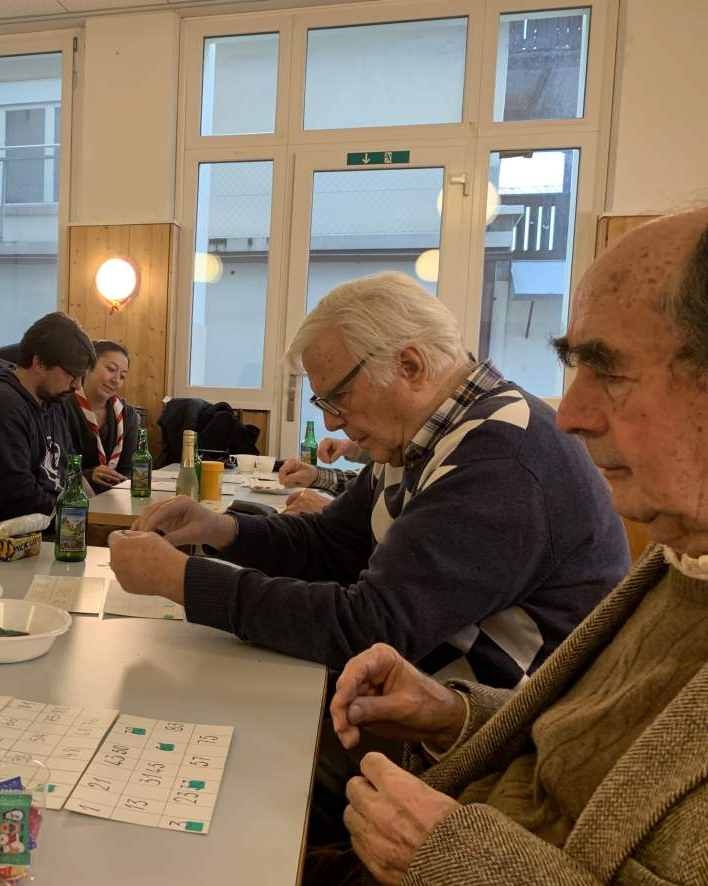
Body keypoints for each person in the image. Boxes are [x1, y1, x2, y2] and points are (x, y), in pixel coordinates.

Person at [108, 270, 629, 841]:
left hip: (495, 759)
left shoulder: (501, 458)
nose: (331, 420)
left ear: (410, 366)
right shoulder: (425, 435)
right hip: (425, 712)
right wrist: (223, 529)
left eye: (338, 397)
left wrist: (185, 581)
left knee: (230, 761)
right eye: (322, 401)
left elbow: (368, 627)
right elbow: (332, 543)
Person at [308, 207, 708, 886]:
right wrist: (451, 713)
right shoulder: (682, 562)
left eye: (608, 370)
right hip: (454, 802)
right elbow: (582, 740)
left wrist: (454, 859)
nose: (572, 415)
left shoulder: (505, 452)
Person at [0, 312, 96, 546]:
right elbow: (18, 498)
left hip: (45, 529)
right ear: (39, 363)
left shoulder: (53, 400)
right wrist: (78, 516)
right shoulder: (0, 405)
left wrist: (95, 512)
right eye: (72, 375)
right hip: (1, 542)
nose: (78, 386)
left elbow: (71, 469)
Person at [62, 340, 141, 493]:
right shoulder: (61, 407)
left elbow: (127, 471)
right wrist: (88, 475)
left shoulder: (128, 415)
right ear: (87, 367)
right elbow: (55, 467)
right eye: (111, 369)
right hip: (71, 495)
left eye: (122, 376)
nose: (116, 380)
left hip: (115, 495)